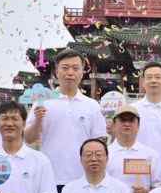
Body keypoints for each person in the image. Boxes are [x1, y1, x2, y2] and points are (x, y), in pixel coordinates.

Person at [28, 50, 106, 185]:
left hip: (83, 180)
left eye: (75, 68)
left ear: (82, 72)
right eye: (65, 68)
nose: (70, 73)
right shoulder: (43, 102)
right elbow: (28, 139)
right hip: (50, 179)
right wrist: (38, 121)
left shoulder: (92, 105)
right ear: (56, 71)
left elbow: (99, 142)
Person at [106, 106, 161, 193]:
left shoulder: (151, 155)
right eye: (122, 120)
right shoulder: (105, 154)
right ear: (114, 125)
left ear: (138, 126)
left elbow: (160, 187)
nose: (127, 124)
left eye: (131, 120)